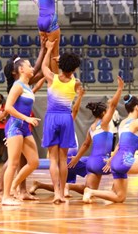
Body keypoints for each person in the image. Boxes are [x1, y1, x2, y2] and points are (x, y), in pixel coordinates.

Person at [82, 94, 138, 204]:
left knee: (119, 197)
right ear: (137, 107)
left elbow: (119, 145)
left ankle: (91, 192)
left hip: (116, 161)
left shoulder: (123, 123)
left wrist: (111, 160)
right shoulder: (135, 122)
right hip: (124, 160)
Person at [6, 0, 71, 73]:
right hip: (50, 21)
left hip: (41, 23)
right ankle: (55, 80)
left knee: (46, 52)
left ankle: (48, 79)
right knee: (54, 54)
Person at [66, 77, 124, 195]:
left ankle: (69, 186)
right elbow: (113, 106)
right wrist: (120, 89)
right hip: (102, 162)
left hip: (91, 163)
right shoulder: (104, 124)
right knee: (126, 165)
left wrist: (77, 158)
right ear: (103, 113)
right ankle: (115, 191)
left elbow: (86, 144)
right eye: (106, 111)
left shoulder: (91, 128)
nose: (109, 112)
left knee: (90, 190)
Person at [41, 40, 82, 204]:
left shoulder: (52, 78)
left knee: (53, 159)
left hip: (52, 116)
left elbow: (44, 66)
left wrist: (49, 50)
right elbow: (71, 73)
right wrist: (65, 63)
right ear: (74, 68)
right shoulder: (76, 83)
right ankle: (63, 193)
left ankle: (56, 193)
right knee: (63, 159)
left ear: (61, 65)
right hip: (66, 117)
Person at [30, 85, 87, 197]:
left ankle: (39, 184)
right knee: (92, 171)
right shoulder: (66, 119)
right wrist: (79, 96)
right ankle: (64, 189)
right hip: (69, 160)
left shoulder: (57, 123)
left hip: (68, 159)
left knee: (63, 184)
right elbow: (75, 110)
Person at [1, 56, 41, 206]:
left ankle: (13, 186)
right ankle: (6, 196)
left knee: (34, 162)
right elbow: (8, 108)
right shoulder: (17, 86)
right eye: (29, 66)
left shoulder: (27, 86)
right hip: (15, 126)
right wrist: (27, 118)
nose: (32, 68)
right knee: (13, 163)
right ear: (21, 69)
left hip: (24, 127)